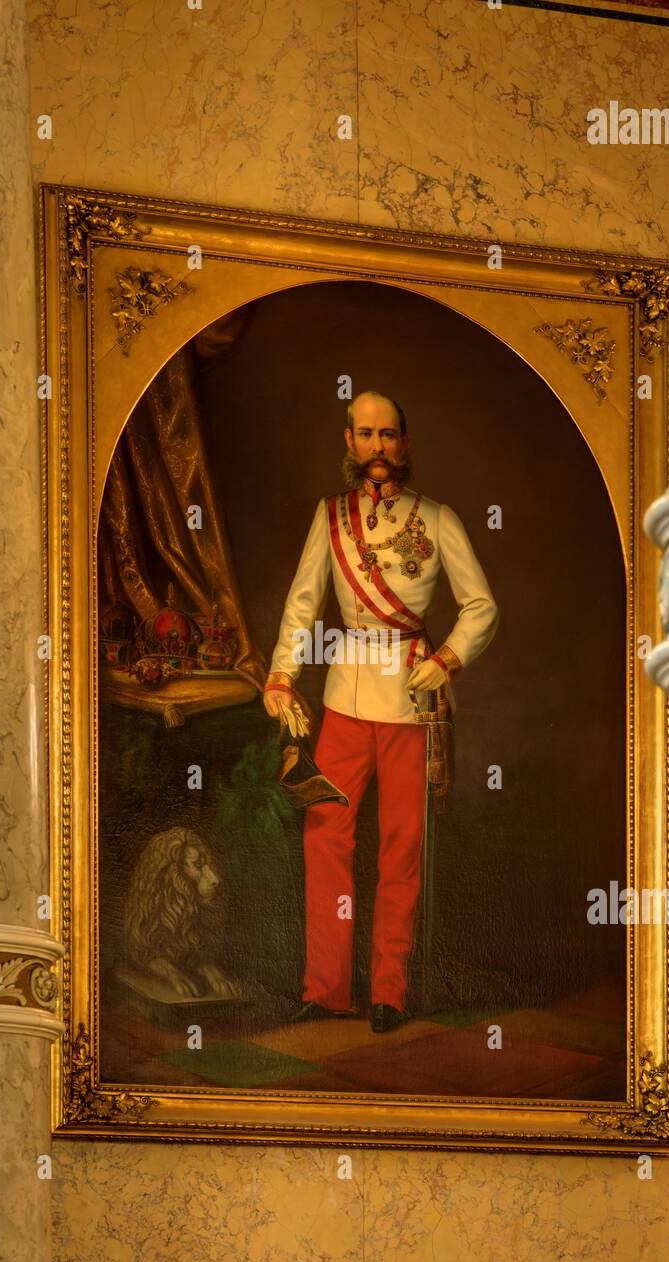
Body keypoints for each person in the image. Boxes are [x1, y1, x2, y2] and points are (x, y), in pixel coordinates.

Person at [263, 390, 499, 1032]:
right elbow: (303, 601)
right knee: (326, 841)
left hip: (409, 705)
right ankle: (327, 987)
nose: (378, 448)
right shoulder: (330, 516)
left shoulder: (438, 518)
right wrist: (283, 674)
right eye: (365, 435)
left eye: (388, 435)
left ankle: (388, 992)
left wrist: (447, 658)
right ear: (349, 442)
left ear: (405, 442)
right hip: (343, 700)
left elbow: (482, 607)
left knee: (401, 849)